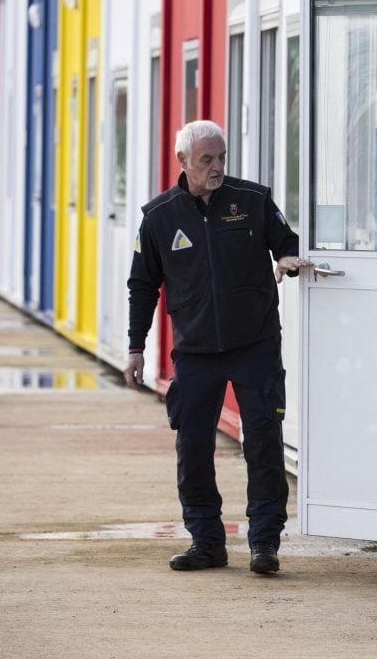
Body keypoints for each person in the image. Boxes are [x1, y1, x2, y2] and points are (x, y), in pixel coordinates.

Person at [122, 120, 310, 574]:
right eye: (207, 159)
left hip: (256, 345)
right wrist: (135, 346)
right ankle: (206, 542)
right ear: (183, 161)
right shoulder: (159, 217)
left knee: (263, 442)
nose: (217, 167)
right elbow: (142, 286)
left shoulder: (254, 201)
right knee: (192, 447)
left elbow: (286, 243)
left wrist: (286, 258)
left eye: (222, 156)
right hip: (195, 351)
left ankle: (265, 543)